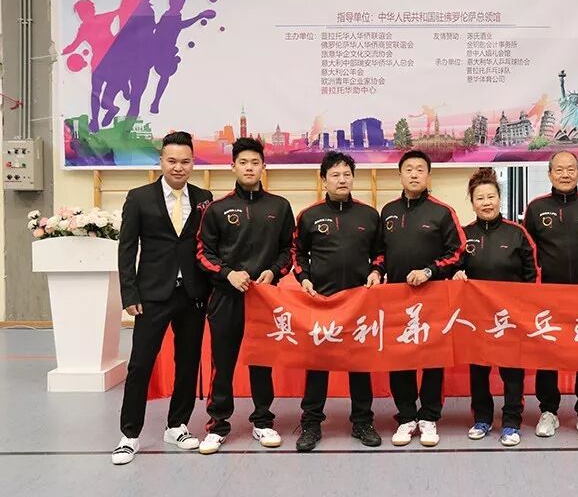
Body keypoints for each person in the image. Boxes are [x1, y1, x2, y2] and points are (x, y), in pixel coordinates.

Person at [111, 131, 212, 465]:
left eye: (185, 161)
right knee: (140, 364)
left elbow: (208, 246)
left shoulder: (204, 198)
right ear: (161, 161)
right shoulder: (139, 197)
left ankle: (177, 425)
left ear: (193, 163)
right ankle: (129, 435)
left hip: (193, 294)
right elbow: (127, 249)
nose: (178, 167)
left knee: (187, 362)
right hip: (152, 295)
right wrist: (129, 292)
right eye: (172, 161)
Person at [196, 137, 295, 454]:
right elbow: (203, 252)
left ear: (263, 166)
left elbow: (289, 250)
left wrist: (274, 272)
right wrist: (228, 274)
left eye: (255, 162)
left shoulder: (279, 207)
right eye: (243, 163)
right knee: (222, 364)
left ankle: (263, 421)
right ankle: (217, 425)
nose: (249, 168)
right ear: (233, 167)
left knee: (262, 362)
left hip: (265, 299)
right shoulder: (217, 208)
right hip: (227, 298)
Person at [292, 152, 383, 451]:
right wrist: (304, 278)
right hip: (321, 302)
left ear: (353, 178)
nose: (342, 180)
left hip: (358, 303)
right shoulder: (309, 215)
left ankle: (362, 422)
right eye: (335, 175)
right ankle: (311, 423)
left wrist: (376, 271)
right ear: (324, 180)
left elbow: (380, 253)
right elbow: (297, 253)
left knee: (360, 365)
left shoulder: (369, 215)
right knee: (317, 365)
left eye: (346, 174)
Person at [375, 150, 465, 447]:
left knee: (432, 359)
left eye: (420, 169)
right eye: (409, 169)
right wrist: (376, 270)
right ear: (400, 175)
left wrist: (429, 271)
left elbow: (457, 253)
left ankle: (428, 417)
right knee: (399, 357)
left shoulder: (442, 212)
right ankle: (406, 416)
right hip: (396, 298)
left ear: (428, 175)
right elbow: (380, 252)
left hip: (433, 297)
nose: (414, 174)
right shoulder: (388, 211)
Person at [523, 151, 578, 440]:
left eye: (571, 169)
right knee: (548, 354)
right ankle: (548, 411)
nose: (565, 174)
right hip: (547, 296)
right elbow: (527, 253)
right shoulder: (536, 208)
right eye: (559, 169)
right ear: (549, 174)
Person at [453, 168, 539, 447]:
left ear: (500, 199)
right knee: (478, 372)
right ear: (472, 203)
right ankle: (482, 418)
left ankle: (511, 422)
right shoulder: (464, 236)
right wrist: (456, 274)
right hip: (476, 318)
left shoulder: (518, 234)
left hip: (510, 318)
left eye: (491, 196)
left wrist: (525, 310)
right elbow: (452, 268)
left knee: (512, 373)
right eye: (480, 198)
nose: (486, 203)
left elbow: (533, 275)